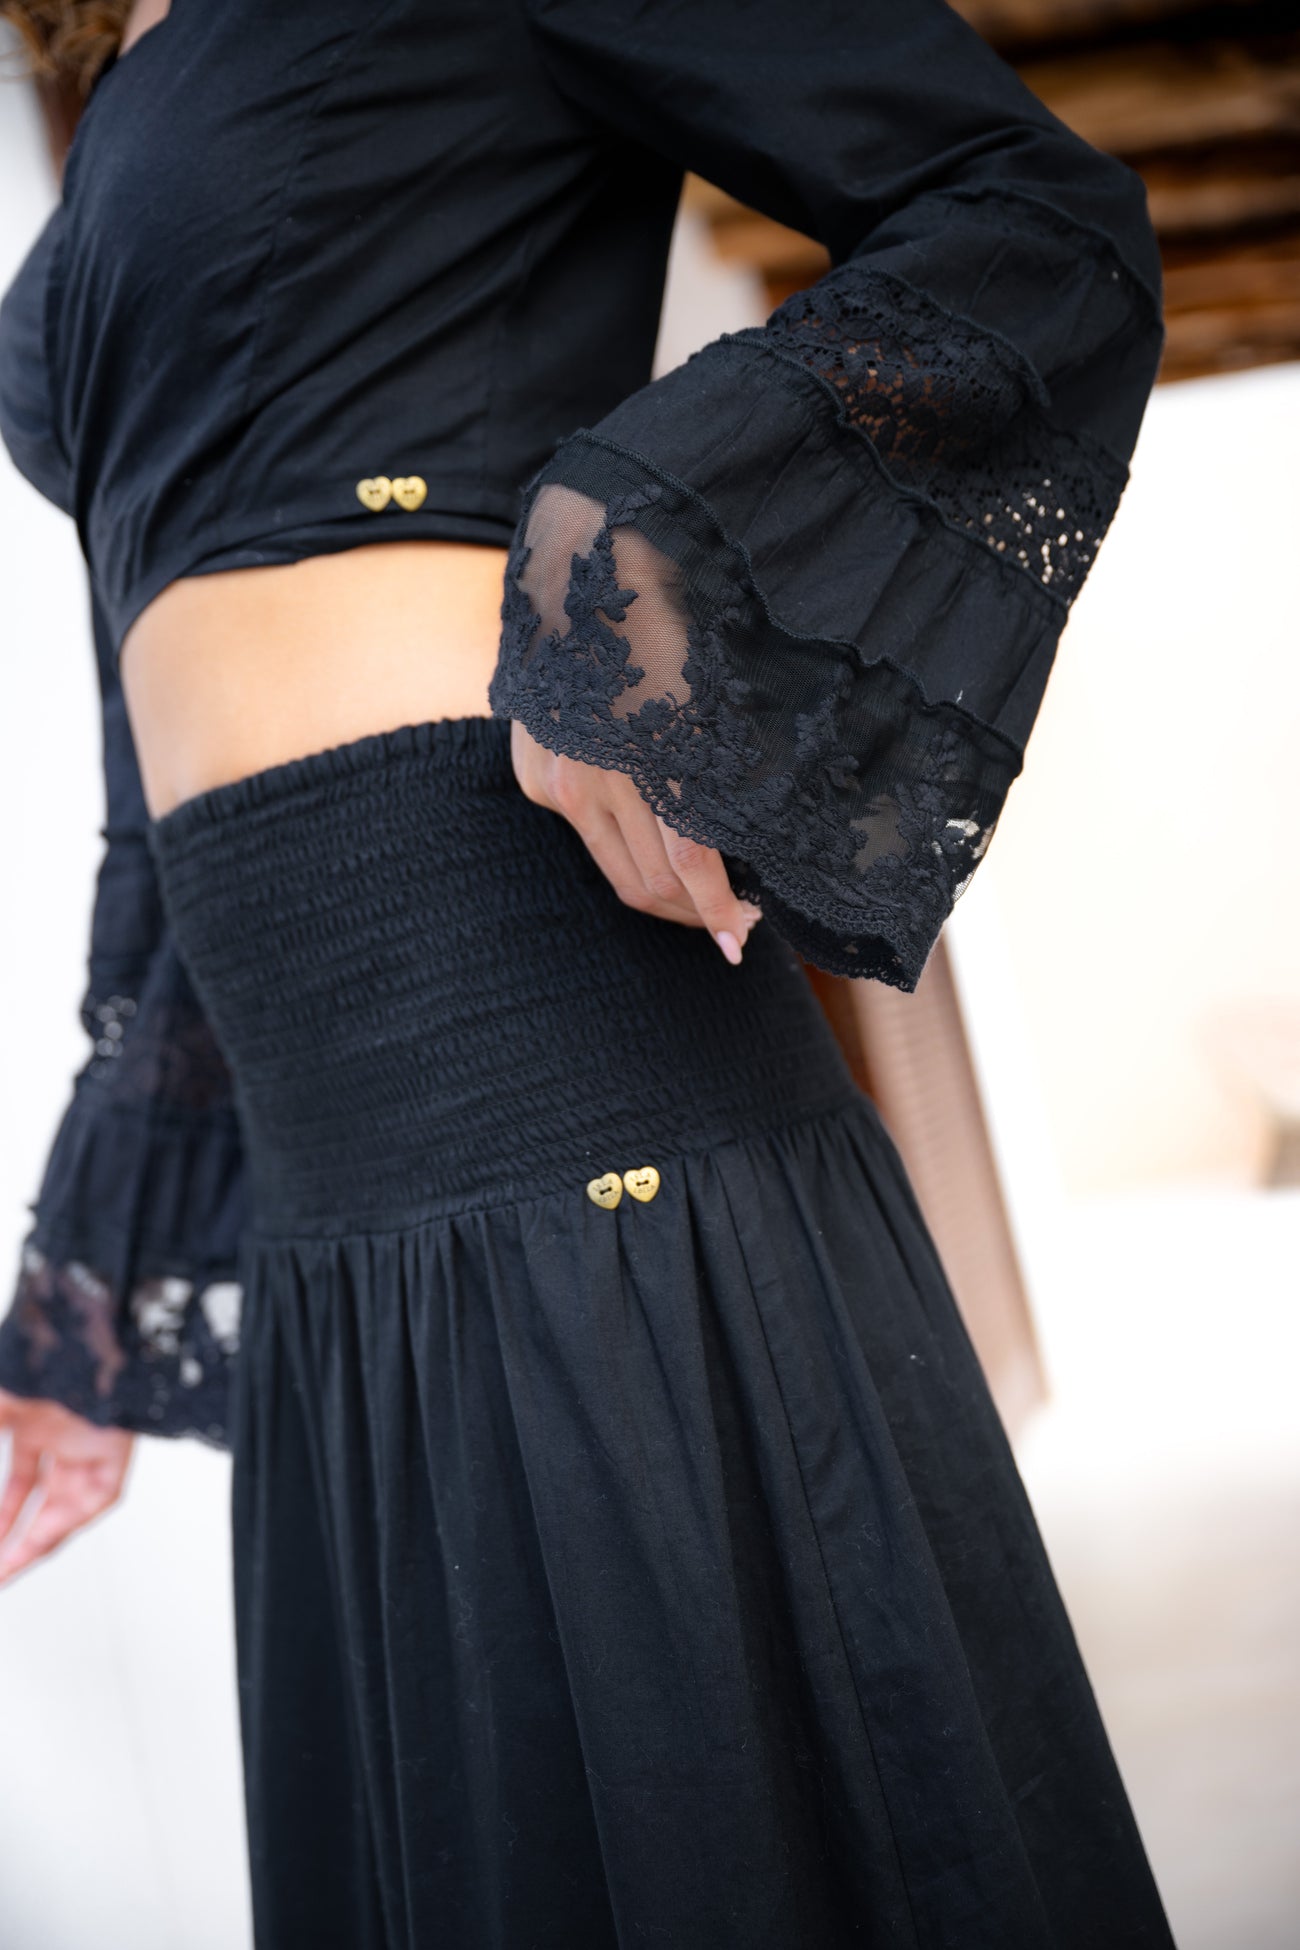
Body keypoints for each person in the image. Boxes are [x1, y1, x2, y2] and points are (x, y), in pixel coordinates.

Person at [0, 0, 1176, 1943]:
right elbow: (149, 746)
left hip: (567, 1091)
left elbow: (1026, 217)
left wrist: (616, 573)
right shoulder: (116, 73)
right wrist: (92, 1300)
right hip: (331, 1220)